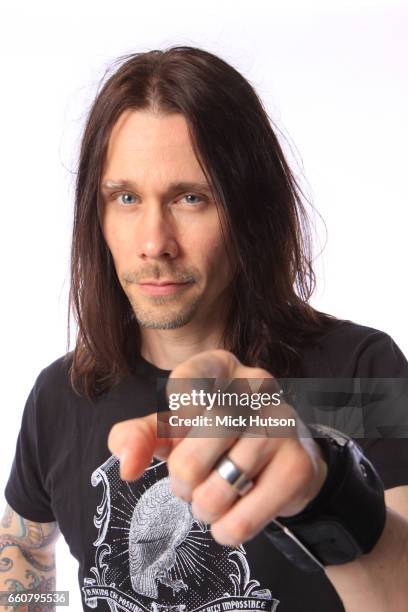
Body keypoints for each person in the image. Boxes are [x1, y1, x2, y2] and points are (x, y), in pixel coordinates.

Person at [2, 45, 408, 612]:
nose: (153, 243)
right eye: (125, 198)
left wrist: (324, 494)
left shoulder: (358, 374)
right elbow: (22, 556)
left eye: (191, 198)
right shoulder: (60, 395)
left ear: (249, 209)